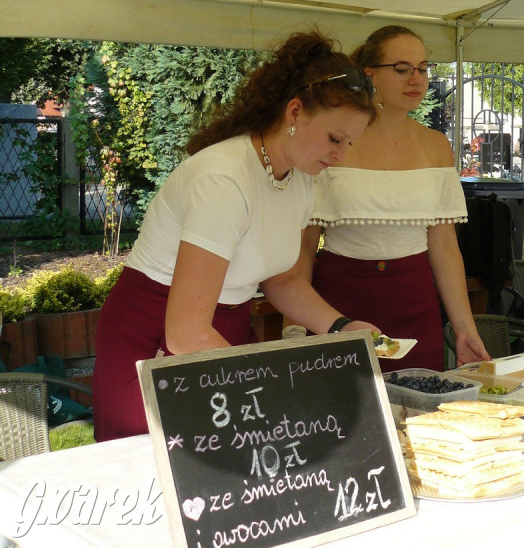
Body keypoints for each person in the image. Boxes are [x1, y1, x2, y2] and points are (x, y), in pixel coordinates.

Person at [92, 30, 378, 442]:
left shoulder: (299, 179)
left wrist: (342, 328)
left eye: (349, 142)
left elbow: (282, 279)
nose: (341, 155)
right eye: (335, 138)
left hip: (222, 333)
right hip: (153, 333)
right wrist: (266, 383)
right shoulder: (224, 179)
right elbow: (186, 332)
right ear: (294, 112)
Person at [304, 25, 489, 371]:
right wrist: (294, 326)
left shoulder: (436, 145)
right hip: (337, 301)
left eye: (423, 68)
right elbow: (303, 245)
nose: (416, 79)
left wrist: (465, 328)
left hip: (414, 301)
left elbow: (445, 245)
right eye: (402, 69)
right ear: (370, 74)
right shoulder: (335, 141)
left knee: (418, 411)